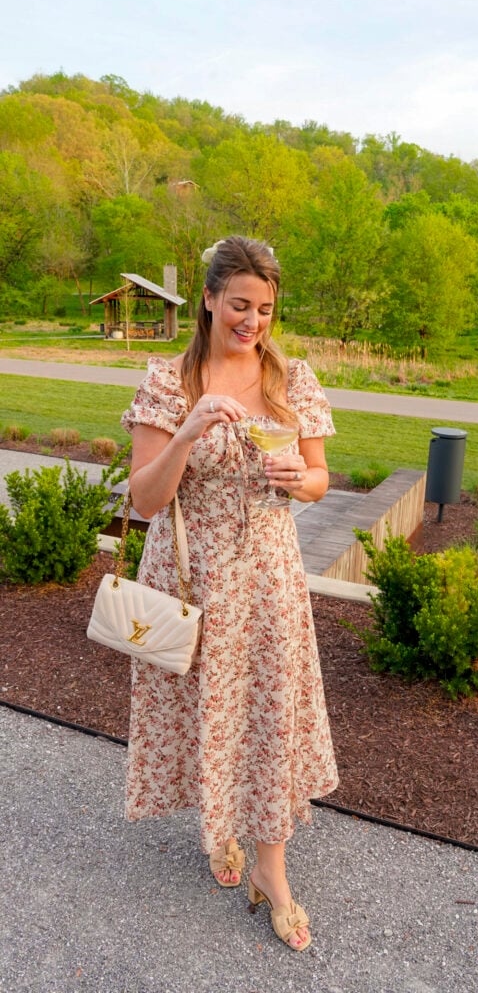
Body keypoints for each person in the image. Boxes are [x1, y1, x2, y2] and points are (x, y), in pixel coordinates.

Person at [120, 235, 339, 952]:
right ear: (209, 299)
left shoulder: (291, 378)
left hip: (270, 578)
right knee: (211, 713)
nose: (253, 322)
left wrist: (297, 482)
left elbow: (318, 477)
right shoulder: (168, 381)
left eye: (266, 309)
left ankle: (271, 871)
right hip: (192, 577)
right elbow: (145, 502)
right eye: (240, 305)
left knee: (269, 713)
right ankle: (220, 828)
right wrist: (185, 431)